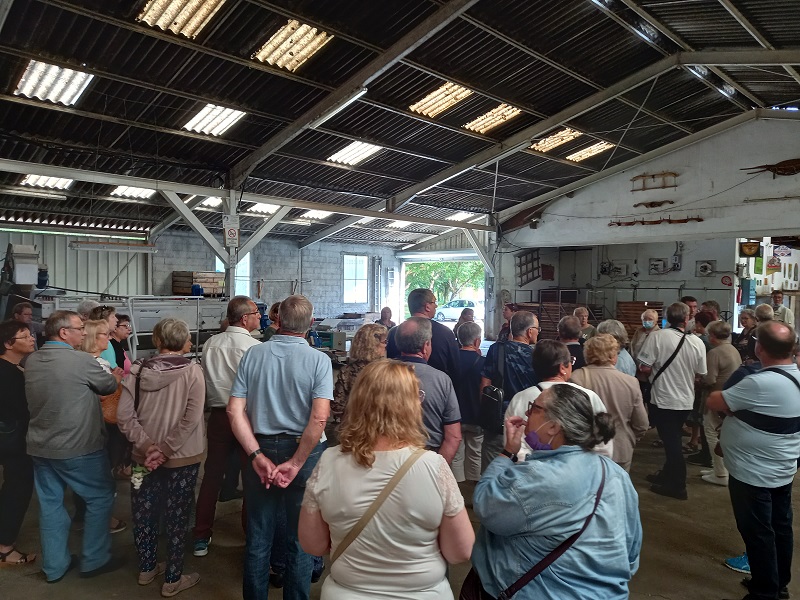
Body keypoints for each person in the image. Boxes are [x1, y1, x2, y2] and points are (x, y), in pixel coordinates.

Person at [298, 360, 474, 600]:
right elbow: (460, 551)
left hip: (347, 592)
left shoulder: (328, 462)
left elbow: (313, 544)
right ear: (409, 405)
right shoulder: (433, 466)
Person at [471, 384, 641, 600]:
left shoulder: (536, 477)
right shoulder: (616, 474)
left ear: (553, 427)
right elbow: (631, 551)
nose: (527, 413)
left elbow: (486, 505)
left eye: (534, 408)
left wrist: (507, 454)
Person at [228, 295, 331, 600]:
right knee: (301, 538)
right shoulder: (319, 360)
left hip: (261, 446)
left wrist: (256, 455)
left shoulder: (253, 354)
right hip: (304, 450)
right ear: (311, 323)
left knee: (259, 535)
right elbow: (320, 417)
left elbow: (234, 411)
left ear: (278, 320)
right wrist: (297, 462)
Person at [24, 310, 119, 582]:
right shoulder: (81, 361)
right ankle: (94, 559)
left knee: (50, 505)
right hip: (79, 446)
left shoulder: (32, 360)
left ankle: (54, 567)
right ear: (64, 332)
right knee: (100, 496)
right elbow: (107, 386)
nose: (84, 333)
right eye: (80, 328)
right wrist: (114, 375)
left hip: (41, 446)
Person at [707, 321, 800, 600]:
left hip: (753, 472)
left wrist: (737, 410)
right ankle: (778, 583)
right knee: (780, 526)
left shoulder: (759, 382)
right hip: (782, 467)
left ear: (759, 348)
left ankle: (764, 592)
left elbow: (715, 401)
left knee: (758, 532)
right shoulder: (795, 377)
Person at [117, 318, 205, 597]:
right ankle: (173, 578)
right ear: (183, 342)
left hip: (141, 460)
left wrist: (147, 447)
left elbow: (124, 416)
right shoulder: (193, 372)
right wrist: (165, 450)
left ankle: (146, 568)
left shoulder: (137, 371)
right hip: (184, 459)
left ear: (157, 340)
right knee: (177, 516)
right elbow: (191, 419)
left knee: (143, 511)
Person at [192, 297, 262, 557]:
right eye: (256, 312)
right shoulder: (255, 348)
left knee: (212, 475)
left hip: (219, 417)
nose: (259, 316)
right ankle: (251, 535)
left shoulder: (211, 344)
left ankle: (201, 535)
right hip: (246, 417)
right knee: (251, 476)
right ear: (244, 318)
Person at [638, 302, 707, 500]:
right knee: (673, 438)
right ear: (686, 318)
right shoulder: (697, 342)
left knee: (672, 443)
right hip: (685, 400)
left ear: (667, 318)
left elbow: (644, 367)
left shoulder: (657, 337)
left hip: (663, 398)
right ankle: (666, 475)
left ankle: (677, 485)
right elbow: (700, 373)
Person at [505, 340, 613, 460]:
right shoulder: (587, 396)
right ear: (562, 368)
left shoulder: (520, 398)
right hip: (583, 468)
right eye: (571, 361)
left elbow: (512, 444)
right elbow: (603, 446)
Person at [570, 334, 648, 471]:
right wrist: (629, 437)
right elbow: (641, 424)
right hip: (621, 449)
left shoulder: (576, 378)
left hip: (586, 449)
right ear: (613, 356)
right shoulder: (631, 382)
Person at [479, 311, 540, 471]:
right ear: (530, 331)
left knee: (492, 467)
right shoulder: (538, 355)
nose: (538, 332)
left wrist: (486, 412)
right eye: (537, 329)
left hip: (498, 419)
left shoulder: (496, 349)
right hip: (526, 423)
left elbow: (485, 383)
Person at [396, 317, 462, 463]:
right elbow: (454, 436)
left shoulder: (378, 376)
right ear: (425, 346)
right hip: (428, 456)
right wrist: (437, 469)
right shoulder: (441, 380)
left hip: (388, 458)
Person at [0, 320, 37, 566]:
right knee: (18, 488)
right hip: (14, 441)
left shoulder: (12, 368)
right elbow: (22, 408)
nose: (32, 339)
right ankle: (5, 547)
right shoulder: (9, 374)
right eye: (24, 336)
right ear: (8, 344)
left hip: (9, 438)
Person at [697, 321, 741, 487]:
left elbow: (710, 379)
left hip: (716, 397)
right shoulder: (733, 349)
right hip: (730, 398)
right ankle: (719, 469)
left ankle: (720, 473)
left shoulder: (715, 353)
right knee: (723, 434)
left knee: (711, 433)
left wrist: (698, 381)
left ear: (713, 336)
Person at [329, 324, 388, 446]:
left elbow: (337, 406)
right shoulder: (386, 372)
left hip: (353, 433)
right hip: (382, 434)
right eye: (384, 342)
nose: (386, 345)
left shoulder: (347, 371)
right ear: (373, 344)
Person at [387, 289, 460, 383]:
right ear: (427, 307)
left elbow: (389, 363)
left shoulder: (393, 332)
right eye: (434, 302)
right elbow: (455, 369)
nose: (436, 306)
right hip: (437, 387)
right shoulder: (445, 333)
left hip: (398, 387)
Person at [452, 321, 485, 483]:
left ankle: (458, 488)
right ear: (477, 341)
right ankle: (473, 486)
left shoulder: (451, 360)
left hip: (454, 417)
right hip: (476, 415)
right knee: (475, 452)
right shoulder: (483, 362)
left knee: (456, 454)